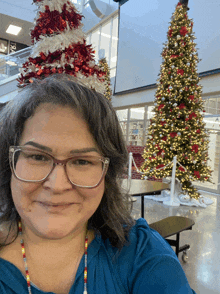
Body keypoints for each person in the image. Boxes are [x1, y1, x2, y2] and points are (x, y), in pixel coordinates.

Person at [0, 74, 196, 294]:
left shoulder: (142, 254)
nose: (57, 185)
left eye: (82, 161)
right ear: (9, 165)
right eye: (37, 157)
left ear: (107, 174)